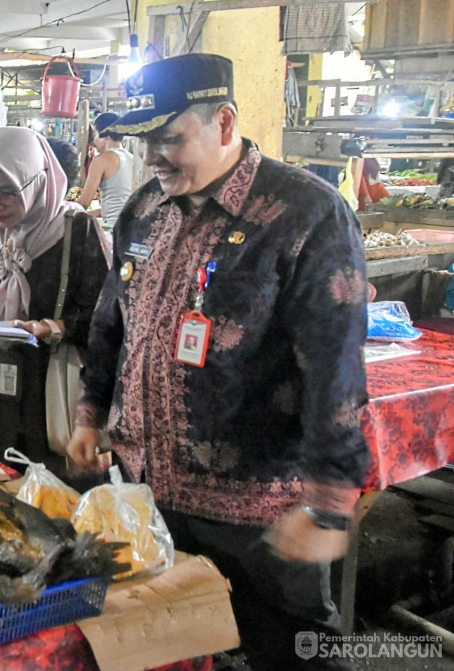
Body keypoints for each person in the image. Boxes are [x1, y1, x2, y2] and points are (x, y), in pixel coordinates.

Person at [66, 54, 369, 671]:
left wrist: (328, 502)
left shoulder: (305, 213)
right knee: (173, 650)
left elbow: (334, 366)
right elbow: (111, 321)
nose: (152, 157)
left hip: (259, 513)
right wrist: (90, 413)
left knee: (289, 652)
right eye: (145, 141)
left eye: (169, 139)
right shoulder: (143, 211)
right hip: (150, 494)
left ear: (224, 122)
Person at [0, 126, 109, 463]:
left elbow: (106, 321)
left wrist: (53, 328)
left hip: (48, 399)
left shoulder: (77, 232)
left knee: (49, 502)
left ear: (38, 181)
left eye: (8, 192)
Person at [76, 112, 135, 219]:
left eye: (96, 134)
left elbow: (84, 202)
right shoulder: (131, 158)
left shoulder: (101, 160)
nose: (93, 140)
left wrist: (65, 210)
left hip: (112, 228)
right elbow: (117, 205)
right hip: (128, 226)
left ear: (105, 135)